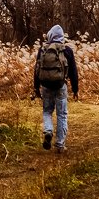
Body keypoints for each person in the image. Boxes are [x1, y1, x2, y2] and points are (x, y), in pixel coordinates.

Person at [32, 24, 79, 152]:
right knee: (62, 115)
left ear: (50, 35)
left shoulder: (43, 49)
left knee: (47, 111)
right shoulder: (67, 50)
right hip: (60, 86)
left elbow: (36, 70)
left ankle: (48, 131)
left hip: (46, 86)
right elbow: (73, 72)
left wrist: (36, 88)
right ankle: (60, 145)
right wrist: (75, 89)